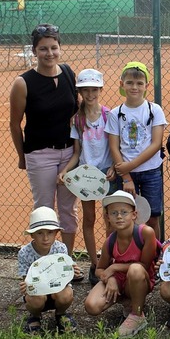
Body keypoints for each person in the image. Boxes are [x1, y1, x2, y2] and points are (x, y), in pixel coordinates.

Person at [9, 24, 80, 265]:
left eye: (53, 47)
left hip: (69, 153)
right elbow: (15, 123)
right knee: (44, 212)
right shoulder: (23, 82)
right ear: (34, 51)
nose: (49, 53)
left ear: (60, 48)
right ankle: (44, 265)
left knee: (69, 211)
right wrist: (22, 156)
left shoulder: (69, 73)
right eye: (43, 49)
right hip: (40, 154)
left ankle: (65, 262)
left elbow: (77, 112)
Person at [58, 68, 115, 286]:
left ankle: (108, 258)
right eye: (85, 90)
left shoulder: (108, 116)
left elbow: (114, 146)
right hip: (85, 176)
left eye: (94, 89)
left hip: (106, 175)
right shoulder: (77, 120)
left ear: (100, 89)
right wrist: (65, 171)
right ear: (79, 91)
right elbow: (76, 153)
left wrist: (115, 169)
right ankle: (95, 263)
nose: (90, 94)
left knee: (110, 220)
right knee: (89, 219)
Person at [84, 190, 157, 338]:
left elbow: (144, 265)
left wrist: (114, 267)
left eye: (124, 212)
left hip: (139, 279)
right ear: (107, 217)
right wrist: (110, 279)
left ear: (134, 215)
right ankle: (127, 301)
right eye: (113, 213)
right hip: (118, 280)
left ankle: (137, 316)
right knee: (91, 306)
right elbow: (99, 270)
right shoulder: (110, 241)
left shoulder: (146, 233)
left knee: (135, 270)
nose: (119, 216)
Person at [106, 62, 166, 238]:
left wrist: (129, 166)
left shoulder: (154, 110)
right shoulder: (115, 113)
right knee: (124, 220)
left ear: (146, 86)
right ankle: (128, 255)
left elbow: (156, 144)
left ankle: (155, 257)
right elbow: (113, 146)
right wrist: (126, 177)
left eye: (140, 83)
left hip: (151, 173)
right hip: (125, 176)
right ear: (121, 84)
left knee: (153, 217)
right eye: (130, 82)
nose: (134, 87)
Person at [18, 207, 79, 334]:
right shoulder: (24, 253)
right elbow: (27, 280)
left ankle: (61, 314)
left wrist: (72, 271)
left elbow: (65, 274)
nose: (45, 238)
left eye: (50, 233)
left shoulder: (61, 248)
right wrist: (26, 286)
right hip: (38, 293)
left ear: (56, 232)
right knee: (35, 299)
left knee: (67, 294)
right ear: (32, 234)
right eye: (40, 233)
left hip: (58, 290)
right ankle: (35, 316)